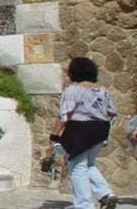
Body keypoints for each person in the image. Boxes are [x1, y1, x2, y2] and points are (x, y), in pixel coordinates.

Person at [51, 57, 120, 209]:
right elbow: (112, 113)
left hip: (80, 131)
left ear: (74, 72)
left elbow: (64, 115)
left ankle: (84, 205)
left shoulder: (72, 90)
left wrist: (54, 135)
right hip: (101, 129)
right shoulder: (103, 91)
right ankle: (106, 194)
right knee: (88, 164)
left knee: (77, 167)